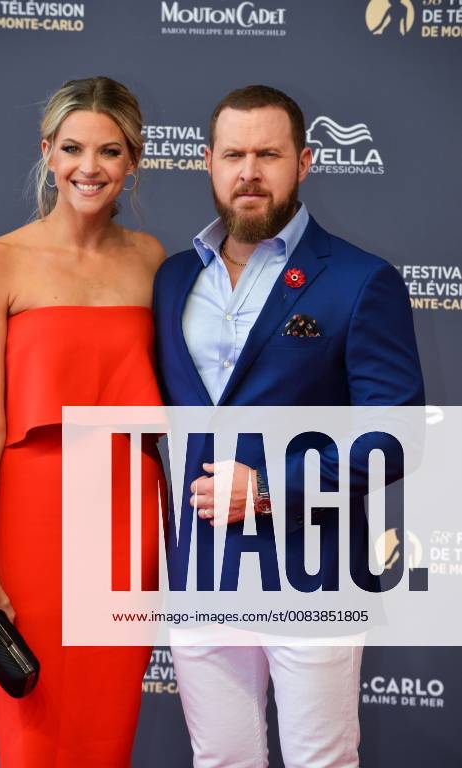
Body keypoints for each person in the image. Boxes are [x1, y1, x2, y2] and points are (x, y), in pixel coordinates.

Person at [153, 85, 425, 767]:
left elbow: (396, 437)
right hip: (198, 571)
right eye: (234, 154)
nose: (250, 171)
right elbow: (123, 399)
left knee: (320, 761)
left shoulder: (361, 280)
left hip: (312, 569)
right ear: (206, 163)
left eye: (268, 153)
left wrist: (269, 489)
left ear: (302, 161)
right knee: (220, 761)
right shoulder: (169, 279)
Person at [0, 76, 165, 767]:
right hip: (31, 515)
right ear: (47, 152)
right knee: (35, 728)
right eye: (72, 148)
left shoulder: (153, 262)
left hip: (129, 515)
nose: (89, 167)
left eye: (109, 150)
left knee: (107, 727)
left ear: (133, 161)